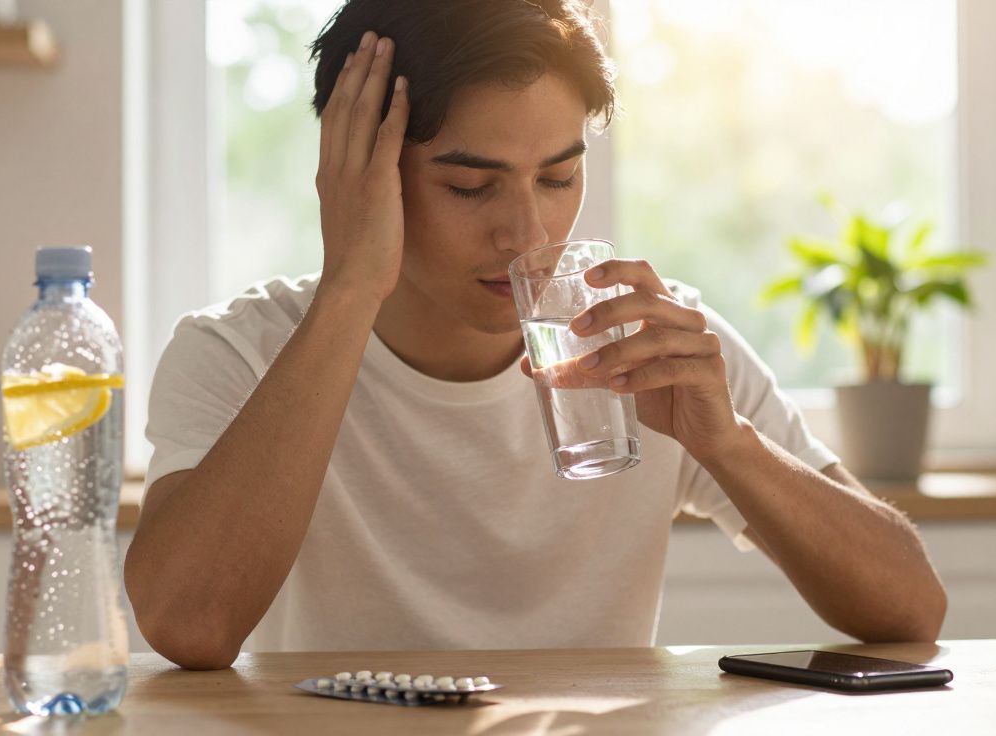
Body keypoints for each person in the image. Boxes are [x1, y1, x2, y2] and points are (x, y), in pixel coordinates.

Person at [123, 0, 947, 671]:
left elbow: (910, 609)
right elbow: (188, 626)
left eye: (558, 177)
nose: (528, 234)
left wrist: (728, 443)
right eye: (470, 187)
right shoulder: (237, 353)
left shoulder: (655, 341)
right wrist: (348, 289)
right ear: (357, 172)